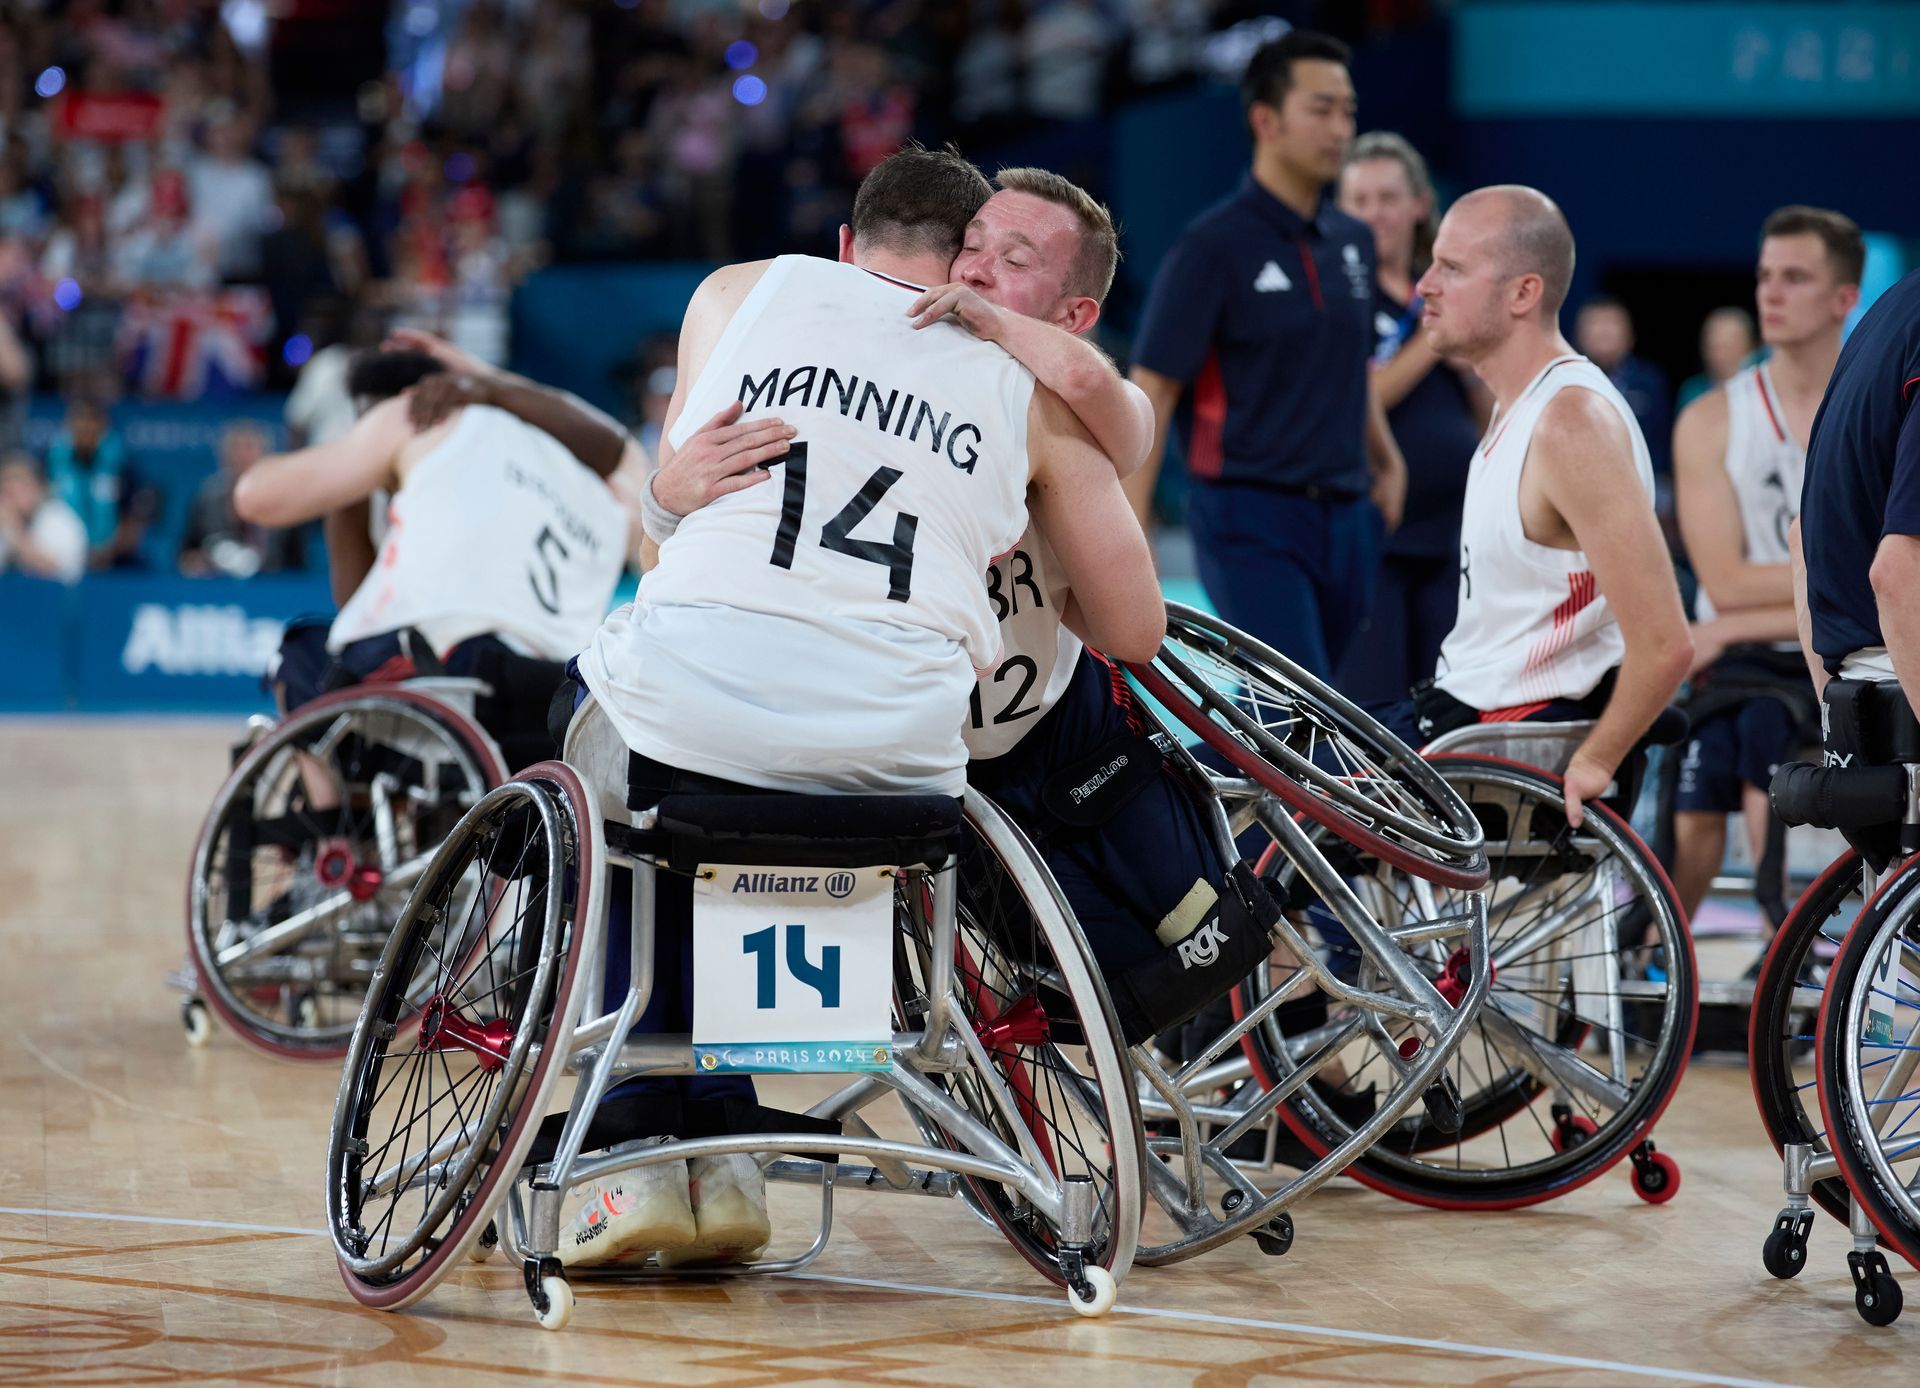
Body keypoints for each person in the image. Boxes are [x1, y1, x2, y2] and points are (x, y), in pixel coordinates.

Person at [560, 146, 1164, 1270]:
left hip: (702, 720)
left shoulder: (743, 291)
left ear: (847, 247)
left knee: (624, 781)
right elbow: (1134, 629)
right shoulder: (1038, 386)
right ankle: (727, 1117)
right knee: (736, 783)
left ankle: (649, 1137)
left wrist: (661, 496)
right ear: (966, 270)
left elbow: (663, 531)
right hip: (910, 769)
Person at [1127, 29, 1406, 681]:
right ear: (1266, 120)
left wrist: (1385, 458)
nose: (1341, 127)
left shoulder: (1354, 240)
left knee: (1322, 723)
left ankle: (1209, 782)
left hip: (1348, 513)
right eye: (1321, 108)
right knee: (1295, 709)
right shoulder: (1211, 247)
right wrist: (1129, 528)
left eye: (1348, 109)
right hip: (1248, 517)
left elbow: (1352, 368)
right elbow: (1153, 389)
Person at [1409, 186, 1693, 826]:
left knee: (1236, 787)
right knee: (1232, 761)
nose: (1424, 284)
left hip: (1500, 736)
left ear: (1522, 293)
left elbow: (1665, 643)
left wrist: (1597, 761)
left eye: (1451, 267)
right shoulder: (1522, 407)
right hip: (1467, 717)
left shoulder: (1570, 423)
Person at [232, 347, 632, 768]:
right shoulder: (600, 488)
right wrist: (489, 382)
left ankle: (330, 819)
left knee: (300, 651)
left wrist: (345, 480)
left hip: (458, 669)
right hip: (562, 691)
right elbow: (619, 448)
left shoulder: (412, 416)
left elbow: (254, 498)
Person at [1668, 207, 1862, 941]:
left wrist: (1732, 621)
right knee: (1691, 831)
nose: (1770, 293)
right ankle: (1655, 978)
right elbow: (1723, 572)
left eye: (1795, 277)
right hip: (1746, 668)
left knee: (1775, 792)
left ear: (1845, 298)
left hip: (1847, 655)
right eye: (1764, 276)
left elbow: (1887, 579)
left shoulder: (1878, 411)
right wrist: (1747, 615)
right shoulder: (1713, 418)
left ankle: (1827, 967)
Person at [1332, 131, 1491, 708]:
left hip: (1455, 534)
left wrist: (1470, 370)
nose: (1375, 213)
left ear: (1420, 204)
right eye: (1361, 199)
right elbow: (1354, 397)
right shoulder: (1339, 292)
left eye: (1388, 197)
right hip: (1376, 532)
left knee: (1447, 704)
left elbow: (1489, 414)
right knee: (1373, 709)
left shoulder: (1448, 292)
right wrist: (1432, 341)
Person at [1793, 265, 1920, 696]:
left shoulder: (1892, 307)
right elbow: (1902, 568)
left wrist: (1838, 720)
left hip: (1866, 719)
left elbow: (1802, 541)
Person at [179, 421, 309, 578]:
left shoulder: (283, 504)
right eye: (235, 448)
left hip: (271, 591)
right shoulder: (206, 501)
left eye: (249, 448)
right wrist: (200, 561)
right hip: (216, 591)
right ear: (223, 457)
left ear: (264, 455)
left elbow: (298, 568)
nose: (242, 456)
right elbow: (184, 557)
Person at [46, 399, 156, 571]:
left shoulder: (122, 464)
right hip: (61, 555)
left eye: (92, 420)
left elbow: (134, 517)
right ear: (68, 425)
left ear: (103, 426)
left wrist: (107, 551)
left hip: (113, 556)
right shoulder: (50, 463)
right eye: (79, 420)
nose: (85, 427)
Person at [1574, 296, 1673, 479]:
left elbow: (1663, 440)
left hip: (1642, 482)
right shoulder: (1567, 381)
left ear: (1630, 335)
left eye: (1611, 324)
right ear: (1579, 335)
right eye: (1595, 324)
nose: (1603, 332)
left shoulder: (1650, 381)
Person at [0, 455, 87, 584]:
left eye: (16, 491)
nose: (10, 500)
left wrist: (15, 532)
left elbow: (57, 571)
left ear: (35, 488)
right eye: (5, 492)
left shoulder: (58, 518)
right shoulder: (5, 521)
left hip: (58, 599)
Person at [1677, 306, 1759, 412]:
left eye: (1728, 346)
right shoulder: (1692, 391)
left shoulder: (1764, 389)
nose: (1720, 355)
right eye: (1713, 346)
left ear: (1750, 348)